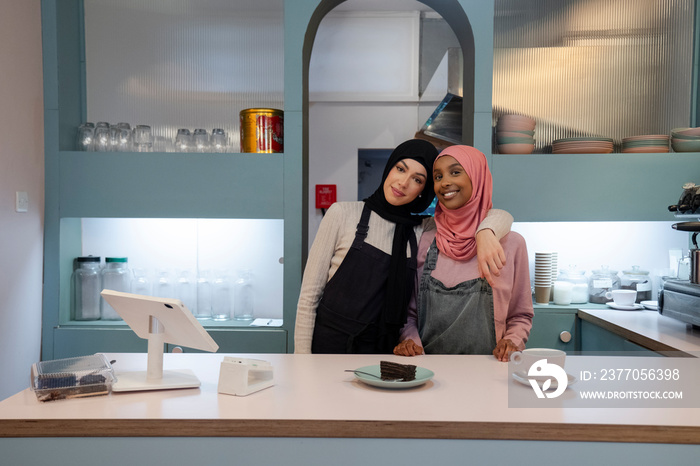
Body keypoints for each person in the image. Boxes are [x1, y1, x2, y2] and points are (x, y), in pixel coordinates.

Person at [294, 139, 514, 354]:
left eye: (417, 180)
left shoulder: (422, 229)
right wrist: (302, 363)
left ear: (424, 191)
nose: (403, 183)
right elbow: (308, 298)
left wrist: (486, 232)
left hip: (385, 350)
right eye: (400, 169)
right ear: (389, 168)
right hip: (329, 347)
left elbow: (494, 215)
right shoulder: (342, 214)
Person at [393, 145, 533, 361]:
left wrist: (512, 342)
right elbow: (410, 314)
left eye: (455, 172)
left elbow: (520, 315)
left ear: (477, 178)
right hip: (428, 374)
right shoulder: (426, 239)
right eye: (438, 176)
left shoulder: (512, 244)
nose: (445, 182)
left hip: (488, 374)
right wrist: (409, 340)